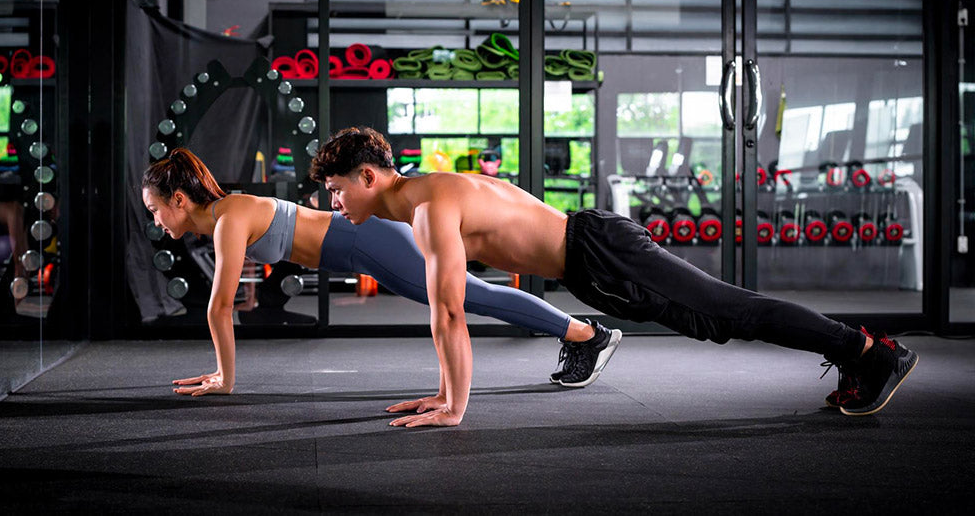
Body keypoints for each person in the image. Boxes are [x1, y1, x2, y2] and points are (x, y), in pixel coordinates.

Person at [310, 126, 920, 428]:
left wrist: (454, 408)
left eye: (336, 190)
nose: (333, 204)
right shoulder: (425, 196)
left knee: (732, 311)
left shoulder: (428, 206)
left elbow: (449, 310)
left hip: (599, 253)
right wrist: (444, 394)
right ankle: (859, 354)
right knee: (717, 324)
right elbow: (453, 304)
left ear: (368, 176)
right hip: (593, 261)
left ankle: (871, 352)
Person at [140, 148, 621, 412]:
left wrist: (225, 379)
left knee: (471, 297)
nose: (156, 221)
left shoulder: (229, 216)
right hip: (362, 244)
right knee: (470, 295)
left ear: (179, 200)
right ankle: (584, 333)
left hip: (365, 241)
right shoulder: (225, 216)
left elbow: (221, 305)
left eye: (155, 209)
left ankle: (587, 334)